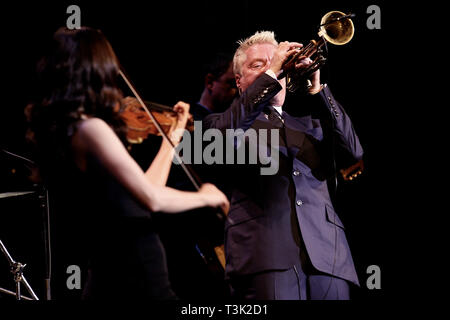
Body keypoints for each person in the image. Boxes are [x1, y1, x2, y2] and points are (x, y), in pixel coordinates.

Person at [26, 26, 229, 300]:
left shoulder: (69, 130)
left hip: (113, 269)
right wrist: (206, 196)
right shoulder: (91, 129)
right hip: (133, 268)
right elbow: (153, 199)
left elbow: (145, 189)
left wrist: (173, 136)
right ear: (97, 69)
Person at [203, 31, 363, 300]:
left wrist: (317, 88)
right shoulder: (217, 123)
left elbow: (352, 152)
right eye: (258, 65)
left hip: (330, 259)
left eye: (276, 61)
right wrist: (273, 69)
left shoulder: (310, 124)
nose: (272, 68)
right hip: (266, 258)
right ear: (240, 83)